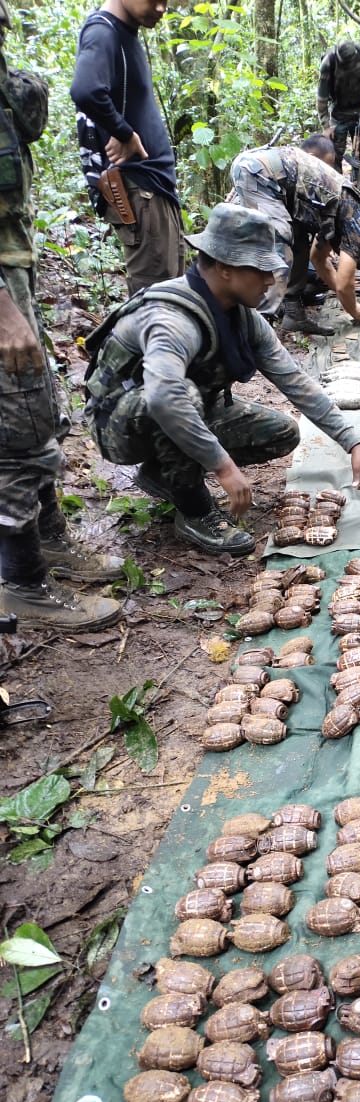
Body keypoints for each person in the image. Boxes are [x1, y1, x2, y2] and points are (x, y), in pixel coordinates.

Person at [83, 203, 360, 557]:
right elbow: (164, 398)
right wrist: (223, 467)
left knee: (282, 431)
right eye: (260, 270)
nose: (270, 280)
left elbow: (295, 381)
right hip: (120, 425)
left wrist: (354, 443)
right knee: (180, 397)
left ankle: (164, 474)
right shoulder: (172, 319)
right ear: (226, 269)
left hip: (182, 407)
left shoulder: (241, 316)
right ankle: (194, 510)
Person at [0, 0, 122, 632]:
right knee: (12, 432)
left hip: (12, 268)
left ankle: (48, 540)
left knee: (37, 410)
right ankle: (20, 582)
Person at [71, 0, 185, 296]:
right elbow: (85, 90)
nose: (161, 8)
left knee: (173, 296)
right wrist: (124, 133)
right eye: (154, 0)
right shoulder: (103, 32)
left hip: (154, 189)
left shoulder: (126, 34)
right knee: (155, 303)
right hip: (139, 189)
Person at [229, 144, 360, 336]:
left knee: (299, 243)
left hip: (262, 173)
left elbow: (318, 258)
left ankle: (293, 314)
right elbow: (344, 283)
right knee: (279, 248)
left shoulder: (349, 213)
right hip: (259, 174)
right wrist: (354, 309)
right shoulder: (358, 222)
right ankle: (258, 330)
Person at [316, 40, 360, 172]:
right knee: (334, 155)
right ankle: (337, 188)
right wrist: (326, 126)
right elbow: (322, 98)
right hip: (339, 111)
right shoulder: (328, 63)